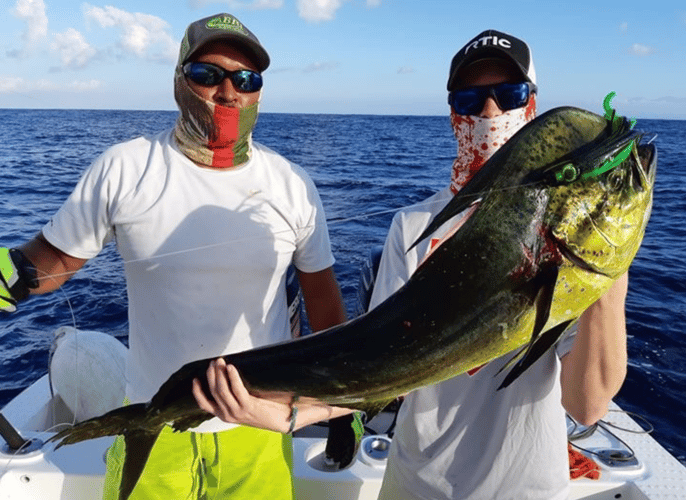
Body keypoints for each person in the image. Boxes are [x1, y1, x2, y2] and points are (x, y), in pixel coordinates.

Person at [0, 13, 352, 500]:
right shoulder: (124, 167)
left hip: (257, 428)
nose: (228, 92)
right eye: (208, 74)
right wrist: (7, 276)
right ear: (179, 81)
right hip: (152, 421)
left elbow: (323, 302)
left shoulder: (293, 184)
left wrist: (339, 409)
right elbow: (52, 261)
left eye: (245, 79)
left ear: (258, 92)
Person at [370, 30, 629, 500]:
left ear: (531, 106)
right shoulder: (412, 227)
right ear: (453, 113)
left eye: (508, 95)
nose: (489, 112)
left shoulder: (564, 229)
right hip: (415, 483)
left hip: (526, 488)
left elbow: (587, 405)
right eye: (470, 99)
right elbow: (383, 368)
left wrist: (608, 268)